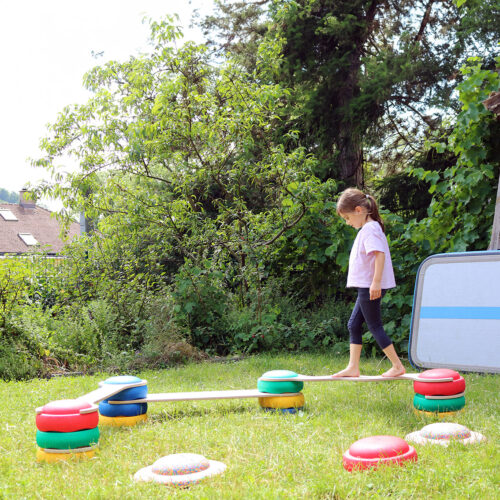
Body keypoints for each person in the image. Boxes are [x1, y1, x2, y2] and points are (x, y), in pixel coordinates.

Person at [332, 188, 405, 378]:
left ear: (358, 210)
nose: (348, 223)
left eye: (347, 218)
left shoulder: (370, 229)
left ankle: (397, 366)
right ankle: (353, 367)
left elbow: (379, 255)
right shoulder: (368, 229)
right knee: (353, 325)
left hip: (370, 286)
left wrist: (376, 282)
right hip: (366, 286)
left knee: (374, 326)